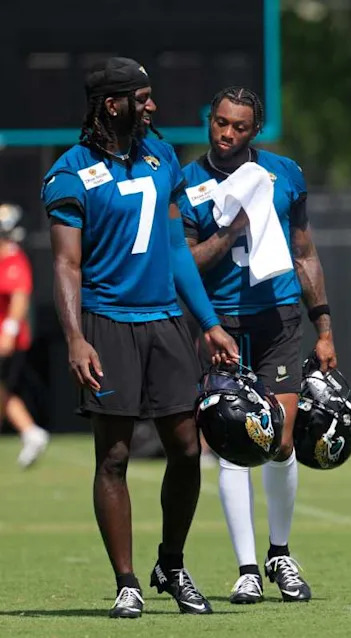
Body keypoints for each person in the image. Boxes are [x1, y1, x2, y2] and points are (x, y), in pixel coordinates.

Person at [42, 57, 239, 619]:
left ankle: (171, 564)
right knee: (116, 456)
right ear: (113, 104)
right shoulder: (69, 173)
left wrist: (209, 323)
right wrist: (77, 338)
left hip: (164, 323)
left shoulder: (162, 157)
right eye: (142, 97)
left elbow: (177, 250)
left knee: (186, 448)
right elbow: (65, 266)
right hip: (106, 322)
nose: (153, 106)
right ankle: (126, 581)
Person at [180, 86, 336, 604]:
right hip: (222, 322)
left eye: (239, 127)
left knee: (282, 440)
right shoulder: (188, 182)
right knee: (235, 440)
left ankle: (280, 554)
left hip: (279, 318)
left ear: (255, 130)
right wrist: (232, 229)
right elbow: (187, 264)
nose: (226, 134)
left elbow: (305, 250)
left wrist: (325, 326)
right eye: (220, 122)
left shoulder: (284, 173)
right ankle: (246, 567)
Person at [0, 203, 50, 468]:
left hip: (9, 340)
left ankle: (31, 431)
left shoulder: (14, 259)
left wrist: (8, 331)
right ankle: (31, 432)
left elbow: (19, 298)